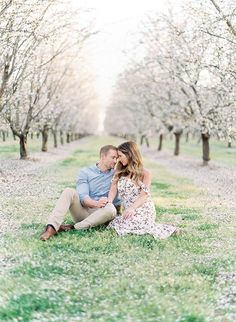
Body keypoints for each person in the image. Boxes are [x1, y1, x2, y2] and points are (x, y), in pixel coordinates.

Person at [40, 145, 121, 241]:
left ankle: (73, 227)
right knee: (68, 191)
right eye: (113, 157)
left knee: (111, 209)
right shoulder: (85, 172)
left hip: (103, 214)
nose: (115, 161)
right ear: (103, 156)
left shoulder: (117, 173)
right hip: (84, 212)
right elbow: (83, 198)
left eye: (117, 158)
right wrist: (96, 203)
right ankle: (51, 228)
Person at [107, 141, 179, 239]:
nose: (118, 160)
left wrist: (132, 208)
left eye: (120, 156)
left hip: (143, 208)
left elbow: (144, 196)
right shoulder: (119, 172)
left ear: (129, 154)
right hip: (128, 209)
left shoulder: (145, 173)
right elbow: (113, 189)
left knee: (133, 224)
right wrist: (109, 202)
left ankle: (169, 229)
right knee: (118, 223)